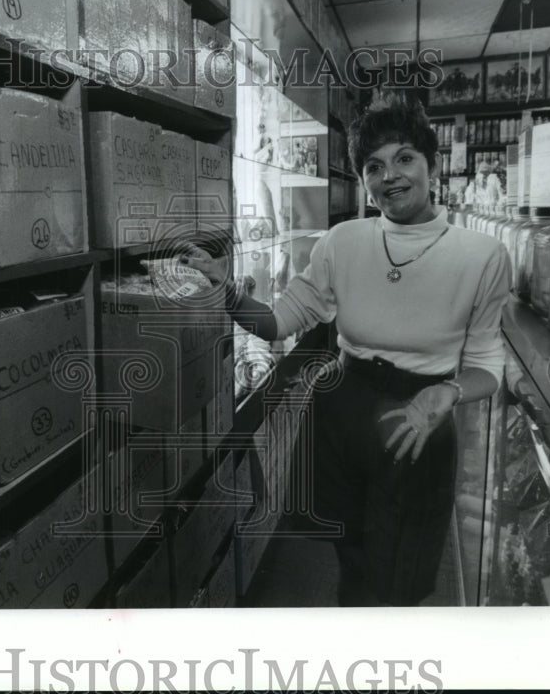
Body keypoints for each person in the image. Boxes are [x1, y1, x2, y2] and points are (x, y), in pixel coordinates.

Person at [182, 98, 511, 606]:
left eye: (404, 158)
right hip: (343, 410)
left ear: (432, 164)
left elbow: (488, 365)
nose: (390, 176)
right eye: (374, 167)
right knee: (352, 559)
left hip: (416, 421)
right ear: (363, 180)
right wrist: (224, 288)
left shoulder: (482, 255)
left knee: (397, 579)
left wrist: (448, 392)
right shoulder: (342, 242)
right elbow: (277, 322)